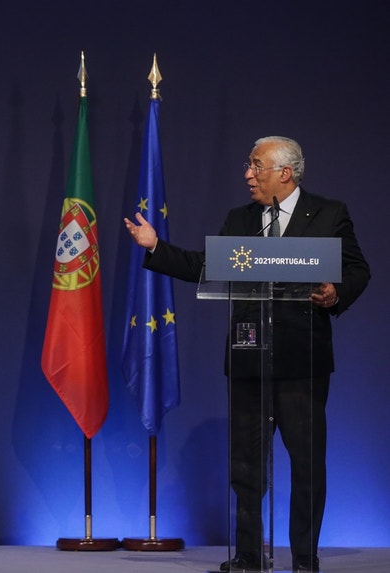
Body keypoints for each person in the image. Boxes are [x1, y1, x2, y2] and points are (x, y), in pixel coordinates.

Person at [124, 136, 370, 572]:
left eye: (257, 166)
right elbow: (206, 266)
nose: (248, 175)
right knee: (246, 466)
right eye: (249, 166)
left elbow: (357, 270)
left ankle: (305, 558)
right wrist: (156, 247)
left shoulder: (329, 213)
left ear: (285, 173)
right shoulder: (240, 219)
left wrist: (336, 293)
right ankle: (248, 555)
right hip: (249, 355)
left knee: (307, 466)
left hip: (303, 361)